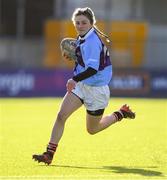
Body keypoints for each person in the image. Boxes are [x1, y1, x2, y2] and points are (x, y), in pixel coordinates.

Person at [32, 7, 135, 165]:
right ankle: (49, 154)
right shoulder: (83, 37)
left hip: (97, 91)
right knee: (61, 116)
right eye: (77, 22)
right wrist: (75, 58)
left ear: (91, 23)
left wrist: (74, 79)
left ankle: (120, 114)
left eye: (84, 22)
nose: (80, 25)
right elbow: (86, 61)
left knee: (92, 130)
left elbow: (93, 69)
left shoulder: (92, 41)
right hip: (82, 85)